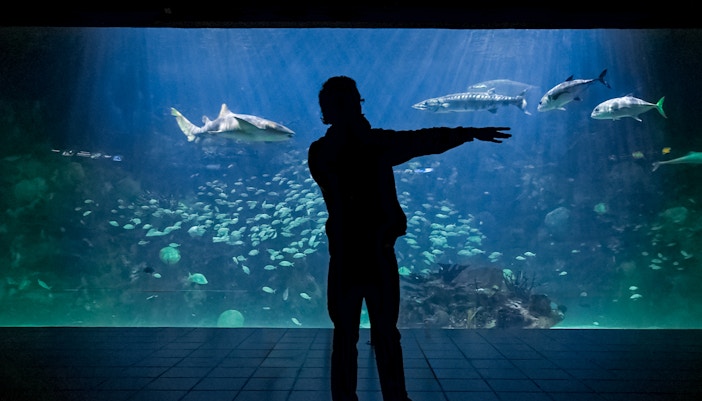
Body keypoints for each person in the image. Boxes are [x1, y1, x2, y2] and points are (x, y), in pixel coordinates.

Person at [307, 76, 511, 401]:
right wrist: (469, 133)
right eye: (357, 103)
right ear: (356, 106)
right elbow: (422, 140)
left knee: (344, 336)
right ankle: (396, 398)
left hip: (344, 257)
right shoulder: (373, 145)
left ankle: (344, 399)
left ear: (325, 112)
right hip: (377, 254)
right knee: (387, 333)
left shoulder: (319, 151)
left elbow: (416, 140)